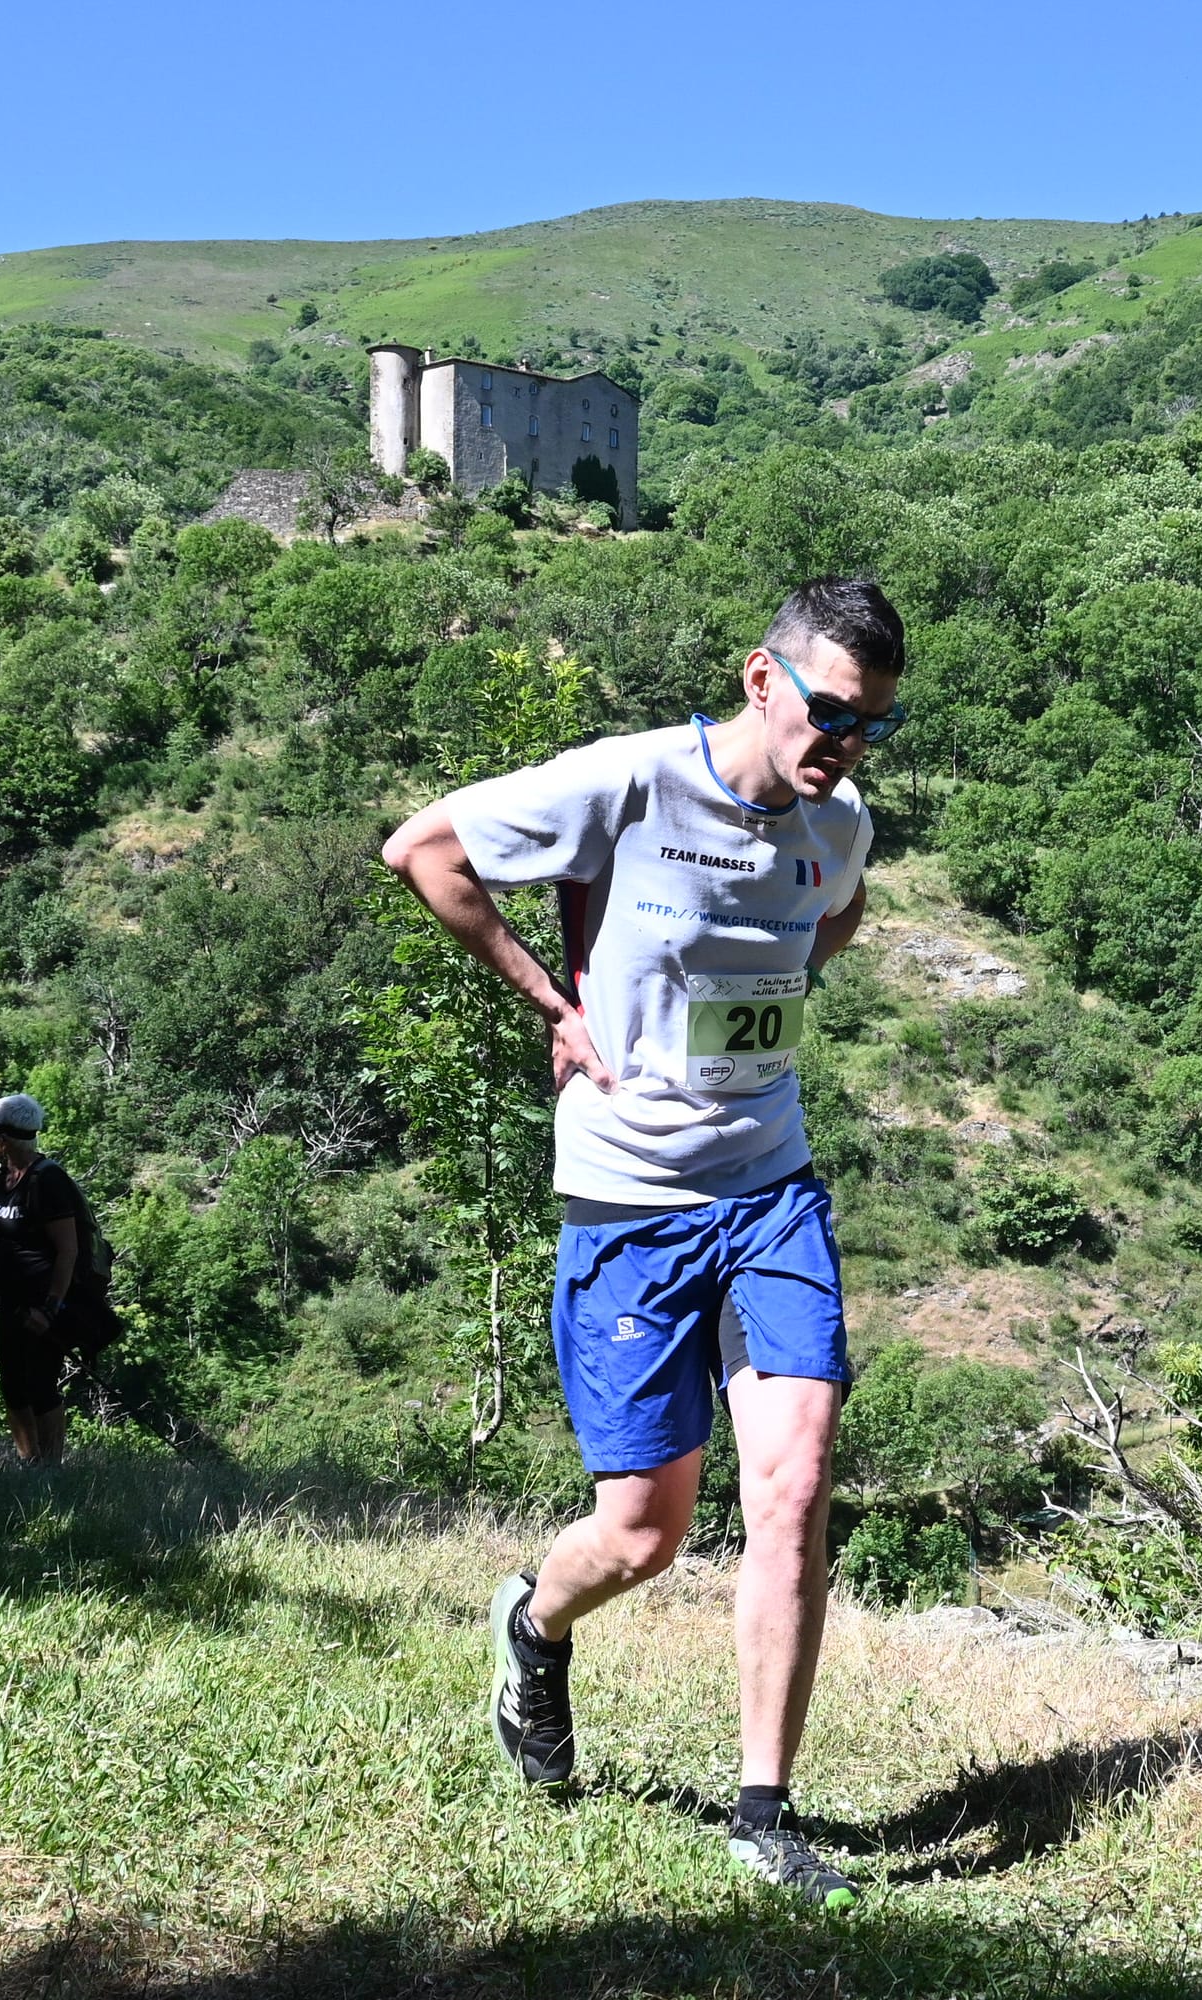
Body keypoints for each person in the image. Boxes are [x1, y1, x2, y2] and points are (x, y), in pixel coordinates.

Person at [382, 575, 907, 1908]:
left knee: (791, 1486)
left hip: (771, 1190)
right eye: (829, 710)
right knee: (643, 1534)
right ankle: (534, 1622)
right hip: (628, 1205)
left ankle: (762, 1817)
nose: (843, 741)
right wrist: (553, 1004)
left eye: (872, 725)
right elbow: (423, 852)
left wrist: (763, 994)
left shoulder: (839, 823)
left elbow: (826, 918)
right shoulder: (626, 787)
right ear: (760, 679)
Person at [0, 1092, 84, 1466]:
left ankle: (51, 1469)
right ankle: (29, 1464)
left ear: (2, 1139)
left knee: (40, 1385)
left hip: (43, 1301)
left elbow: (67, 1250)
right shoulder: (0, 1181)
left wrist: (51, 1307)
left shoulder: (48, 1179)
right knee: (13, 1386)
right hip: (8, 1298)